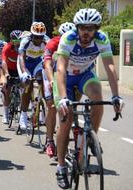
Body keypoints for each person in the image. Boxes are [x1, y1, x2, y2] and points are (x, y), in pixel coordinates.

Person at [55, 8, 124, 189]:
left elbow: (109, 67)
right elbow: (60, 69)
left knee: (97, 97)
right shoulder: (68, 38)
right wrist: (63, 98)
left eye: (91, 28)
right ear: (77, 28)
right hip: (66, 78)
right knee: (66, 118)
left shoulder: (102, 39)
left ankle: (90, 137)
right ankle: (61, 166)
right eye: (83, 28)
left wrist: (116, 96)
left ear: (96, 29)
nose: (86, 32)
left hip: (85, 74)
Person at [42, 22, 76, 158]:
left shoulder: (77, 43)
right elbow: (48, 65)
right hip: (50, 73)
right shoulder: (52, 43)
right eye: (63, 37)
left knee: (71, 106)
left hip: (68, 76)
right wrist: (51, 80)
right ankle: (50, 141)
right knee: (51, 106)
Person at [17, 21, 50, 130]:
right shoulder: (25, 41)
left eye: (40, 37)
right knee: (28, 84)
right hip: (25, 63)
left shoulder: (46, 41)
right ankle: (23, 114)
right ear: (32, 35)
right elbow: (21, 56)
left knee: (43, 81)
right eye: (36, 37)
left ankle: (43, 110)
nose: (38, 40)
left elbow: (51, 57)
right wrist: (24, 72)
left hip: (37, 63)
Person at [1, 30, 23, 124]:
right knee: (7, 90)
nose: (17, 42)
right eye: (15, 40)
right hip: (8, 70)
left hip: (19, 69)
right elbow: (4, 62)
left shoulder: (23, 48)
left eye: (19, 40)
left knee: (24, 90)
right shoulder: (7, 48)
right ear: (11, 40)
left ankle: (22, 111)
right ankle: (5, 114)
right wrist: (6, 73)